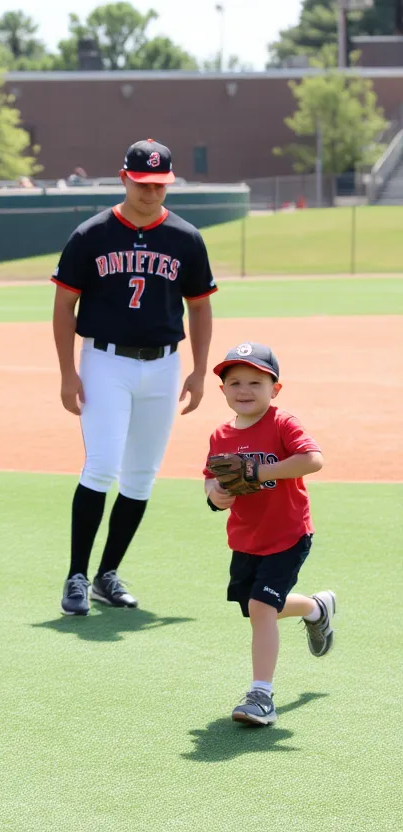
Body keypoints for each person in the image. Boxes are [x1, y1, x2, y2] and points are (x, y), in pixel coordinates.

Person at [51, 138, 217, 616]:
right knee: (102, 466)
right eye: (143, 183)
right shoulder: (92, 234)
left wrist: (199, 371)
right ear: (124, 178)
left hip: (164, 365)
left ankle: (107, 574)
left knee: (141, 477)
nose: (151, 192)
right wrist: (67, 372)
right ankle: (77, 576)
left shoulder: (185, 237)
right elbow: (64, 306)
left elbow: (200, 307)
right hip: (105, 361)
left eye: (160, 184)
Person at [204, 343, 335, 726]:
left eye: (255, 382)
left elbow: (313, 459)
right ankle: (315, 608)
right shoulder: (220, 435)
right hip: (246, 538)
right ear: (224, 390)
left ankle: (261, 695)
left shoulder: (281, 423)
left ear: (274, 389)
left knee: (262, 608)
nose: (244, 390)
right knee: (262, 608)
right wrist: (218, 495)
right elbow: (211, 480)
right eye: (234, 382)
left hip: (288, 534)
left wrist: (258, 472)